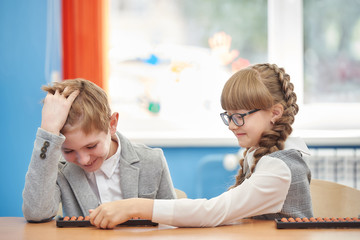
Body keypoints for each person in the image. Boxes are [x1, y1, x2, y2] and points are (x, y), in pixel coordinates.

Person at [88, 63, 313, 228]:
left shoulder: (280, 167)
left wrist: (134, 206)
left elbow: (214, 212)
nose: (232, 126)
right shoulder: (263, 156)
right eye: (229, 116)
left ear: (275, 113)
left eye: (240, 116)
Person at [22, 79, 176, 222]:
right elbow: (36, 213)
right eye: (68, 151)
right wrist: (48, 132)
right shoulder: (56, 168)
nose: (83, 160)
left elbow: (173, 218)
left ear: (112, 124)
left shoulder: (152, 160)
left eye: (91, 146)